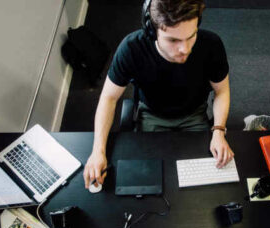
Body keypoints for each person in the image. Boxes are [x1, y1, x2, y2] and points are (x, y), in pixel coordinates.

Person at [84, 0, 234, 189]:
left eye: (191, 36)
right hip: (152, 114)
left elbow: (222, 91)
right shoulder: (131, 49)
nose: (185, 49)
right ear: (152, 31)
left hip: (194, 114)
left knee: (208, 180)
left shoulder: (211, 44)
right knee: (149, 180)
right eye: (173, 40)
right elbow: (109, 98)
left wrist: (219, 131)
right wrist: (98, 151)